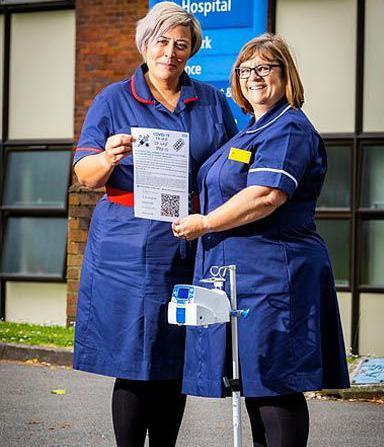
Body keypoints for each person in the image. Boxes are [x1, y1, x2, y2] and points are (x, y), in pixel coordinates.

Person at [171, 33, 350, 447]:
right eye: (246, 69)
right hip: (245, 278)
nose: (254, 77)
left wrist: (205, 223)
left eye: (264, 68)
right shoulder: (249, 130)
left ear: (285, 75)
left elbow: (266, 195)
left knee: (275, 383)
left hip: (275, 276)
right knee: (255, 384)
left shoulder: (288, 129)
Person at [72, 3, 238, 446]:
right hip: (126, 248)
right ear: (145, 44)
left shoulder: (212, 101)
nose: (170, 52)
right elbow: (84, 175)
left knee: (171, 355)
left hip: (187, 243)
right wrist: (108, 156)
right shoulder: (112, 99)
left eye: (181, 44)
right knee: (132, 359)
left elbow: (227, 168)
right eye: (162, 41)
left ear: (192, 51)